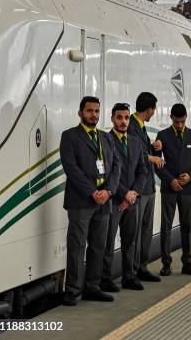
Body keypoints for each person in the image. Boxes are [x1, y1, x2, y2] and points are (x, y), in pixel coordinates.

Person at [60, 96, 121, 306]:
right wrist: (92, 192)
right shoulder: (69, 137)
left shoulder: (106, 138)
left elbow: (115, 167)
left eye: (96, 111)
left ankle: (92, 287)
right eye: (89, 111)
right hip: (81, 202)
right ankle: (73, 291)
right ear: (80, 113)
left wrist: (109, 191)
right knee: (77, 247)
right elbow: (71, 168)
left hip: (104, 201)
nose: (93, 115)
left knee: (98, 246)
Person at [155, 103, 191, 276]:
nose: (179, 125)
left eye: (182, 122)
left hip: (187, 190)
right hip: (169, 189)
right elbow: (157, 163)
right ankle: (166, 265)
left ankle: (188, 263)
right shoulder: (162, 136)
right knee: (166, 227)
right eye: (177, 121)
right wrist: (170, 180)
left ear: (186, 119)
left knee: (187, 227)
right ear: (171, 118)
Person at [101, 103, 148, 293]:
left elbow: (143, 171)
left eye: (126, 117)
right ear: (112, 118)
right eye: (119, 117)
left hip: (132, 201)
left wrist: (133, 193)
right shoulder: (105, 140)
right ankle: (105, 279)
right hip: (113, 200)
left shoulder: (136, 142)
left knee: (130, 240)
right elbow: (107, 173)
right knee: (108, 241)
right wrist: (123, 193)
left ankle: (129, 276)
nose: (123, 121)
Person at [128, 92, 164, 283]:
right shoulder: (132, 126)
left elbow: (142, 148)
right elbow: (134, 154)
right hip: (138, 187)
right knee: (136, 231)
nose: (154, 112)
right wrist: (153, 157)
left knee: (146, 230)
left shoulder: (140, 127)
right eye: (154, 109)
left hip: (148, 186)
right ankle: (133, 271)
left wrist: (154, 146)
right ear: (149, 109)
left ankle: (142, 266)